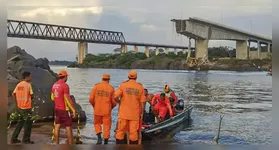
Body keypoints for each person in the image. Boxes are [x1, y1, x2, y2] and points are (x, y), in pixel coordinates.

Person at [114, 70, 145, 144]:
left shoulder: (123, 85)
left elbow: (115, 96)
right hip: (134, 115)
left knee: (120, 132)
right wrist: (142, 114)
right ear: (136, 77)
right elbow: (142, 103)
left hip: (123, 114)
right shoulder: (140, 87)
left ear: (128, 76)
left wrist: (119, 102)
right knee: (133, 134)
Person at [89, 74, 116, 145]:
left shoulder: (96, 87)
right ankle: (106, 141)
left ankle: (99, 138)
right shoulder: (111, 88)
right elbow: (114, 102)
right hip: (107, 110)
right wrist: (111, 107)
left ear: (102, 79)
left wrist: (94, 106)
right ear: (108, 80)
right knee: (107, 126)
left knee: (97, 123)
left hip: (97, 109)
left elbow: (91, 99)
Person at [51, 70, 76, 145]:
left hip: (57, 108)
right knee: (68, 126)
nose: (67, 78)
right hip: (64, 109)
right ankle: (70, 145)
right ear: (65, 77)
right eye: (66, 77)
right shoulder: (65, 85)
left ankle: (57, 144)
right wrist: (73, 110)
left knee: (57, 125)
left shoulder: (54, 85)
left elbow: (52, 97)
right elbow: (67, 99)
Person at [10, 71, 34, 144]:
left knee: (20, 122)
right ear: (26, 77)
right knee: (28, 124)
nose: (31, 77)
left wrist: (17, 103)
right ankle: (26, 140)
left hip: (20, 107)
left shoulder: (19, 84)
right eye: (30, 76)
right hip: (26, 107)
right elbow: (32, 95)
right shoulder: (28, 85)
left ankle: (14, 138)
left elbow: (13, 94)